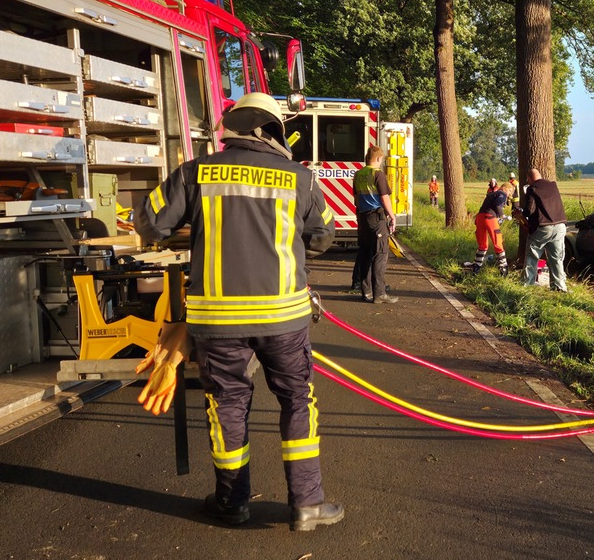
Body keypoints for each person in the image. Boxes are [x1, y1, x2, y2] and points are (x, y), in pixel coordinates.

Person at [133, 92, 343, 533]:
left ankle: (233, 502)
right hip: (284, 315)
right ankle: (307, 503)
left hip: (217, 320)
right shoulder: (299, 178)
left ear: (232, 130)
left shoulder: (196, 173)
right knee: (296, 401)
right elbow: (323, 237)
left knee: (227, 404)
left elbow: (149, 223)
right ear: (272, 131)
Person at [354, 145, 398, 303]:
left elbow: (357, 199)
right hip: (376, 218)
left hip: (363, 218)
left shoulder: (358, 174)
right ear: (379, 159)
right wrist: (392, 216)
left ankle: (366, 292)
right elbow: (384, 197)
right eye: (382, 160)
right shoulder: (378, 174)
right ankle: (379, 294)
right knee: (380, 255)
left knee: (365, 254)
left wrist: (359, 217)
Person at [520, 168, 568, 292]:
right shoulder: (553, 185)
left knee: (532, 256)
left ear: (529, 179)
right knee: (556, 258)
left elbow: (529, 210)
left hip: (543, 227)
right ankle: (559, 287)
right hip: (560, 226)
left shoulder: (532, 188)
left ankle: (527, 285)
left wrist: (521, 212)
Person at [474, 182, 513, 275]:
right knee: (498, 243)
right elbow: (497, 204)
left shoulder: (491, 194)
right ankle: (503, 269)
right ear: (504, 188)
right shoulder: (502, 194)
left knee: (483, 245)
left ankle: (476, 267)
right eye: (510, 191)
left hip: (480, 217)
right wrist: (503, 215)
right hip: (489, 218)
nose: (510, 194)